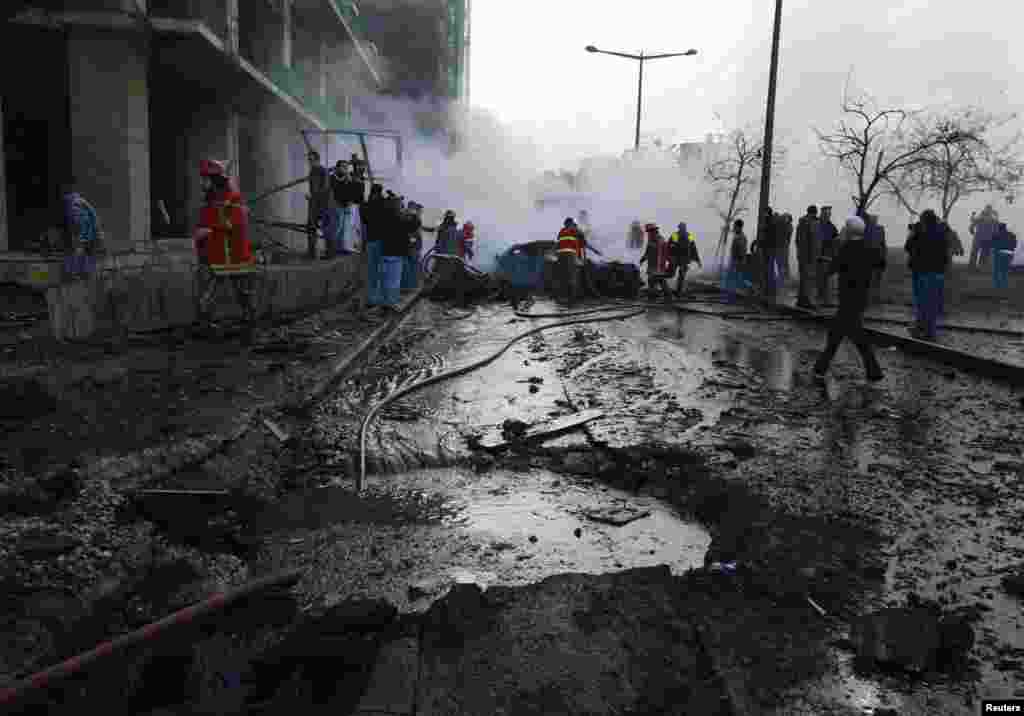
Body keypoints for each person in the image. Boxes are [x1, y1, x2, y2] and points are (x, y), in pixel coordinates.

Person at [812, 216, 885, 383]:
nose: (843, 230)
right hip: (861, 297)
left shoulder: (846, 248)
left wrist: (829, 262)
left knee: (844, 335)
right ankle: (872, 372)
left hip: (847, 297)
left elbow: (831, 270)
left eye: (845, 227)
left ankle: (821, 369)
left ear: (850, 230)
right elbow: (880, 262)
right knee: (846, 334)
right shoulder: (869, 248)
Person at [193, 159, 255, 320]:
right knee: (211, 288)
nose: (202, 182)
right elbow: (206, 219)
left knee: (240, 287)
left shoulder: (232, 196)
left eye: (205, 179)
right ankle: (204, 317)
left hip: (233, 252)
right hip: (216, 251)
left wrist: (209, 230)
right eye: (203, 179)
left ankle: (249, 316)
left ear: (214, 179)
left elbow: (235, 222)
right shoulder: (210, 198)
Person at [905, 209, 949, 340]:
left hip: (921, 271)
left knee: (922, 301)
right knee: (933, 302)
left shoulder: (919, 233)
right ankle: (929, 329)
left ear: (923, 220)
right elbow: (945, 251)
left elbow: (907, 246)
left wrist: (912, 233)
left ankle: (923, 328)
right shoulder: (941, 232)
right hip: (938, 272)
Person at [362, 183, 387, 311]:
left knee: (371, 270)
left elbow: (364, 221)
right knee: (380, 270)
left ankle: (370, 298)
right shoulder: (383, 205)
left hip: (370, 240)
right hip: (381, 241)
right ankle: (378, 298)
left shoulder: (366, 205)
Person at [306, 151, 330, 260]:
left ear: (317, 159)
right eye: (309, 160)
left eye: (312, 160)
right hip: (314, 203)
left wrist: (314, 196)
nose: (310, 162)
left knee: (325, 228)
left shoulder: (322, 170)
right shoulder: (312, 171)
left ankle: (329, 252)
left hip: (321, 204)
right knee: (311, 227)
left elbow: (325, 188)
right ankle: (311, 252)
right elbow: (315, 187)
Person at [795, 205, 819, 309]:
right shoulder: (807, 223)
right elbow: (806, 241)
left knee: (804, 278)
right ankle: (806, 301)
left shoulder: (803, 223)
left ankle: (802, 300)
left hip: (804, 255)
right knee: (807, 279)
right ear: (812, 213)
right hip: (807, 256)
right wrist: (809, 255)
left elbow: (799, 241)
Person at [639, 223, 671, 301]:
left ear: (653, 231)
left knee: (652, 281)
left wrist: (642, 259)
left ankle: (652, 298)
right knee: (661, 281)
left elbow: (649, 253)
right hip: (659, 266)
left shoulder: (654, 240)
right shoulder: (660, 239)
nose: (648, 234)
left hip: (655, 266)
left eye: (649, 232)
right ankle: (667, 296)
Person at [669, 222, 702, 298]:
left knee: (681, 275)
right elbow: (670, 246)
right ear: (679, 228)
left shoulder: (689, 236)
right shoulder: (675, 235)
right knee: (671, 274)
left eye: (683, 228)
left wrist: (697, 260)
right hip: (676, 258)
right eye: (681, 228)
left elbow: (693, 247)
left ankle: (678, 292)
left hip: (684, 259)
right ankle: (669, 289)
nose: (682, 229)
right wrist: (670, 257)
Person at [556, 217, 584, 304]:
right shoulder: (574, 230)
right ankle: (572, 299)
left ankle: (562, 297)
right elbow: (582, 240)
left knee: (563, 277)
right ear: (571, 224)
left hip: (561, 256)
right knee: (572, 277)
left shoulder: (561, 232)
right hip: (570, 256)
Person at [816, 206, 839, 306]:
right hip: (817, 255)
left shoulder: (832, 227)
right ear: (821, 214)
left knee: (826, 278)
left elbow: (836, 240)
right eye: (825, 214)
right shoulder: (816, 224)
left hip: (827, 256)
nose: (827, 216)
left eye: (829, 214)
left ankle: (825, 299)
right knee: (818, 278)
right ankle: (818, 298)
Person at [722, 219, 748, 301]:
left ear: (739, 227)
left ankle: (731, 296)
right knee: (735, 279)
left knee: (735, 279)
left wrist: (738, 262)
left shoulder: (740, 237)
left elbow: (741, 251)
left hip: (737, 261)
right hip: (736, 261)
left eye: (735, 226)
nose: (734, 228)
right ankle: (730, 295)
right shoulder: (740, 236)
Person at [402, 202, 426, 290]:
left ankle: (409, 285)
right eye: (420, 211)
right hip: (413, 247)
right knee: (412, 266)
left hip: (413, 246)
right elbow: (414, 233)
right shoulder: (412, 219)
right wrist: (413, 241)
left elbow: (419, 230)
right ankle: (409, 286)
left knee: (411, 266)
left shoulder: (410, 218)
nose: (420, 212)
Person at [992, 222, 1017, 289]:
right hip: (1009, 254)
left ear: (999, 228)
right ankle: (1004, 285)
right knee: (1004, 271)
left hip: (999, 253)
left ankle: (997, 285)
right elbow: (1014, 245)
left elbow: (992, 245)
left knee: (996, 271)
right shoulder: (1012, 235)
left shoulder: (996, 235)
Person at [776, 212, 794, 284]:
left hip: (783, 246)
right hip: (782, 246)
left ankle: (785, 277)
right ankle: (784, 277)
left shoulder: (788, 226)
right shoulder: (787, 225)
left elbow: (787, 236)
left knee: (784, 262)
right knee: (782, 262)